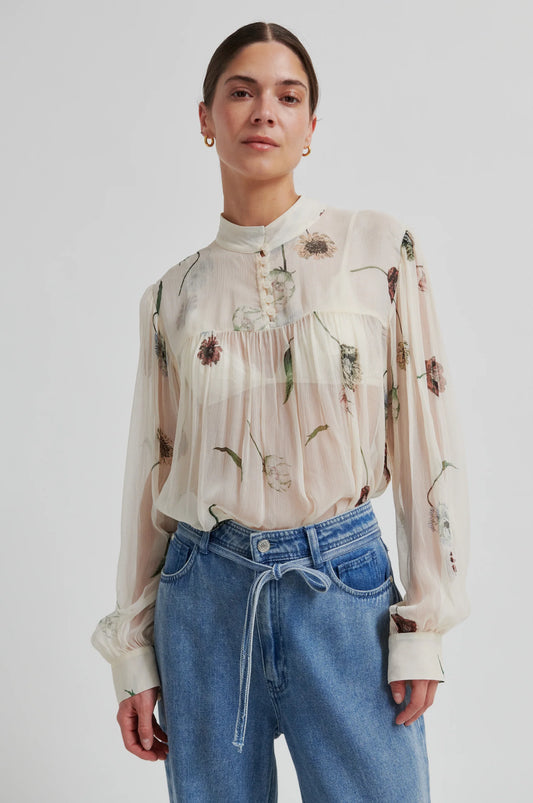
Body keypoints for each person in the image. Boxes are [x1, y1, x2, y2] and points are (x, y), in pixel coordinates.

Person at [91, 20, 470, 802]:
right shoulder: (171, 297)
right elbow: (150, 469)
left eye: (286, 96)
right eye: (240, 92)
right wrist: (133, 648)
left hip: (344, 595)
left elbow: (426, 438)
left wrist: (423, 625)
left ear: (309, 129)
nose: (263, 110)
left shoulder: (379, 250)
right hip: (203, 599)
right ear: (206, 120)